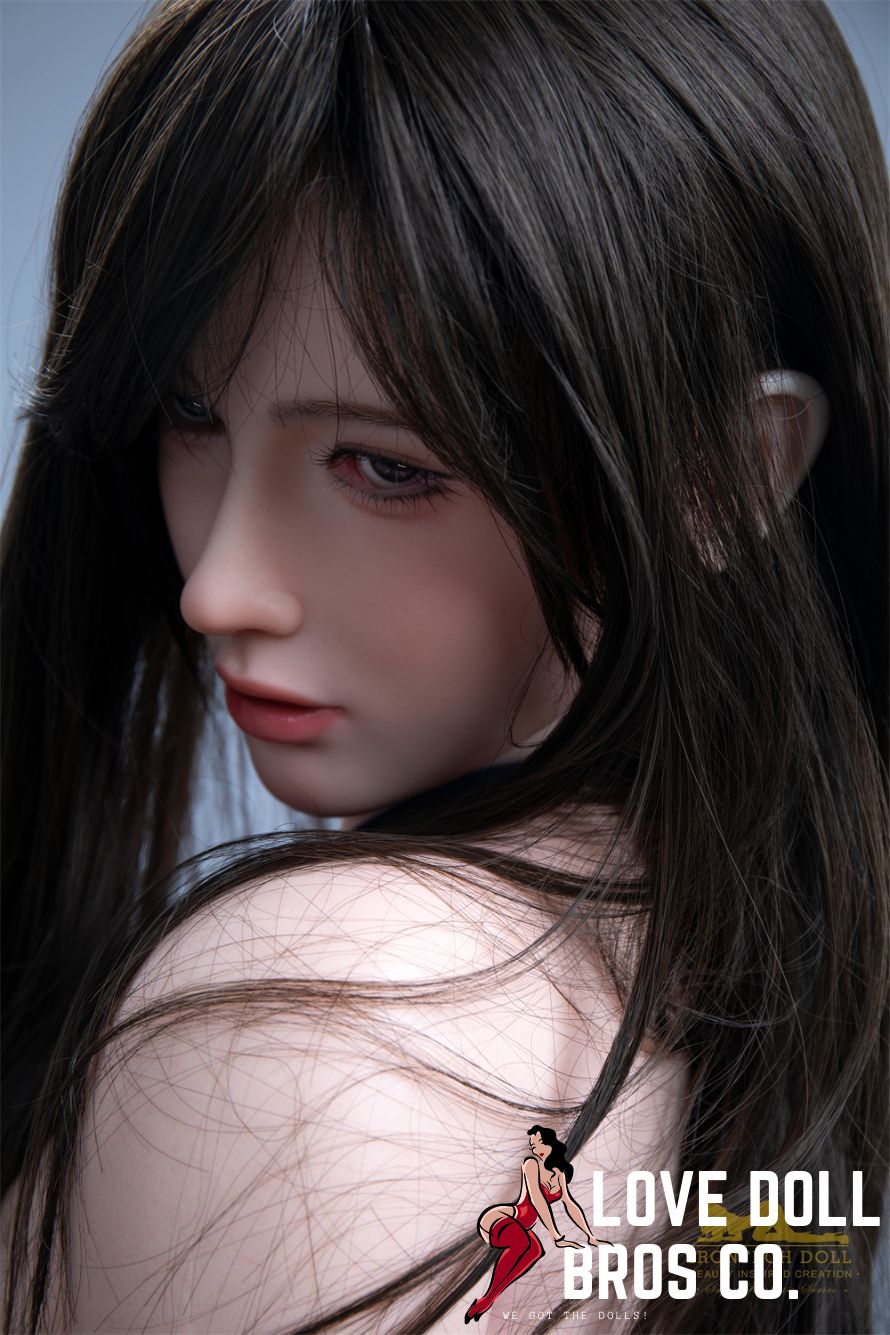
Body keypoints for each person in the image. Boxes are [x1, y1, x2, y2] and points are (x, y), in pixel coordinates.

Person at [2, 1, 887, 1332]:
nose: (215, 588)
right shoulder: (737, 1032)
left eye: (383, 466)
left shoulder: (324, 1042)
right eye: (188, 412)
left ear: (721, 475)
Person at [464, 1126, 603, 1323]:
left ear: (551, 1143)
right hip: (498, 1219)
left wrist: (590, 1236)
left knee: (535, 1251)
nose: (536, 1149)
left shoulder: (559, 1174)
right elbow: (537, 1199)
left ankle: (488, 1298)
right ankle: (488, 1299)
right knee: (522, 1243)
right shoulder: (532, 1164)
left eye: (539, 1143)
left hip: (520, 1227)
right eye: (533, 1146)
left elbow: (570, 1205)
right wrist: (555, 1235)